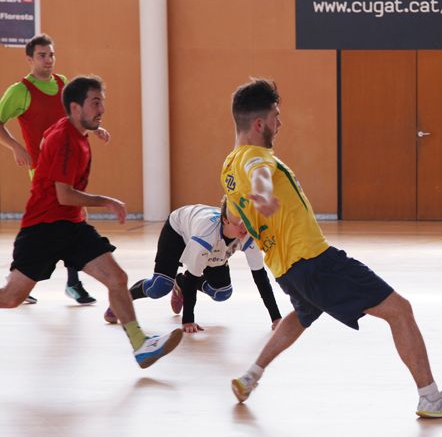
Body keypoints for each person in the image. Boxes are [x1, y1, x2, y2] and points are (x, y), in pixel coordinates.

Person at [221, 78, 442, 418]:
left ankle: (250, 376)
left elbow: (236, 221)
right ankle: (430, 397)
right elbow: (261, 172)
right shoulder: (255, 156)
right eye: (276, 116)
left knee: (302, 314)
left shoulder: (228, 168)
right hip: (312, 259)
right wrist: (265, 194)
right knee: (400, 310)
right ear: (258, 124)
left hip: (285, 269)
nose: (280, 124)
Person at [0, 75, 182, 368]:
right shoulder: (64, 139)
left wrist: (92, 129)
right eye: (95, 102)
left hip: (70, 227)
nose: (102, 109)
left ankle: (141, 345)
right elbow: (63, 195)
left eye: (102, 102)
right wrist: (106, 201)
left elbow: (48, 136)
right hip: (43, 228)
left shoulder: (73, 133)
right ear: (75, 107)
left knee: (117, 279)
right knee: (10, 298)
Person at [0, 34, 109, 305]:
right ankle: (38, 282)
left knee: (66, 221)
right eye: (42, 55)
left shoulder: (62, 84)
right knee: (60, 221)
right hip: (43, 169)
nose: (48, 60)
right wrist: (15, 146)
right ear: (29, 59)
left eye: (51, 55)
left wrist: (95, 129)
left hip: (70, 164)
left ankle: (41, 282)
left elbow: (74, 119)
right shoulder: (20, 90)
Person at [103, 200, 283, 333]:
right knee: (159, 287)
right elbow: (194, 275)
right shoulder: (205, 236)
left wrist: (276, 318)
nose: (244, 226)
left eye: (247, 220)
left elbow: (260, 276)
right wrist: (188, 320)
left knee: (222, 293)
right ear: (225, 220)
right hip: (179, 230)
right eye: (239, 221)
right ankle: (121, 300)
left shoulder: (247, 235)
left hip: (209, 239)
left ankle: (179, 282)